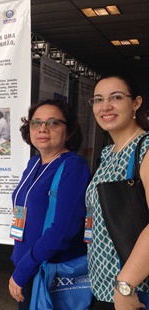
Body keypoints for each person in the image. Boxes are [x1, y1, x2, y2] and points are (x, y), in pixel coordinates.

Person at [8, 99, 90, 309]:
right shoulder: (34, 162)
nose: (43, 128)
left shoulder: (73, 166)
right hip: (27, 264)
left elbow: (61, 231)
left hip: (49, 270)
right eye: (36, 123)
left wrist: (22, 271)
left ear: (68, 131)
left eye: (53, 123)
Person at [86, 72, 149, 309]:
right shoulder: (108, 154)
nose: (106, 106)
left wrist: (126, 285)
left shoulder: (145, 148)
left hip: (133, 292)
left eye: (116, 97)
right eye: (98, 99)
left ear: (136, 103)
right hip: (103, 289)